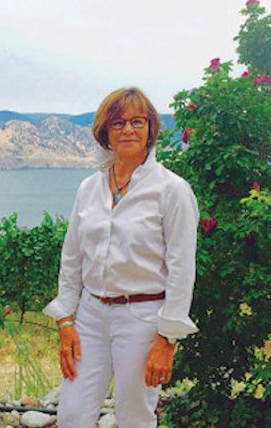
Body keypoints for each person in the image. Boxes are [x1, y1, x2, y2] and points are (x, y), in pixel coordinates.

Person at [43, 87, 199, 428]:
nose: (127, 130)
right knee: (72, 414)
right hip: (90, 316)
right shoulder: (89, 188)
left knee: (135, 417)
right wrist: (65, 320)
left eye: (137, 122)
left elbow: (182, 270)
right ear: (105, 133)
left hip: (142, 317)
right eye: (118, 123)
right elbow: (72, 258)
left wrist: (167, 339)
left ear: (150, 130)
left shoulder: (171, 190)